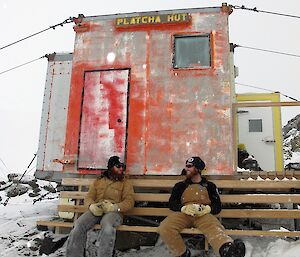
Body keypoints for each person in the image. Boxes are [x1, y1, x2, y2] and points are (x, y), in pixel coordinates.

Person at [158, 156, 246, 257]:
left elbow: (217, 206)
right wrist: (183, 208)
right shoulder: (180, 186)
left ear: (198, 169)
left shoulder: (210, 186)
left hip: (203, 215)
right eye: (186, 166)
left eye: (189, 166)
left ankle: (226, 249)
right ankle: (182, 253)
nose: (186, 168)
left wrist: (207, 209)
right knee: (165, 227)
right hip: (184, 214)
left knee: (213, 228)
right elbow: (171, 203)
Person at [66, 156, 135, 257]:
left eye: (123, 167)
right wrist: (91, 206)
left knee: (107, 227)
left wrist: (114, 207)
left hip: (114, 212)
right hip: (97, 210)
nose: (121, 169)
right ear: (111, 167)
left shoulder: (125, 183)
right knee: (79, 225)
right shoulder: (99, 181)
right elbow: (89, 196)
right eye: (118, 166)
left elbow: (129, 201)